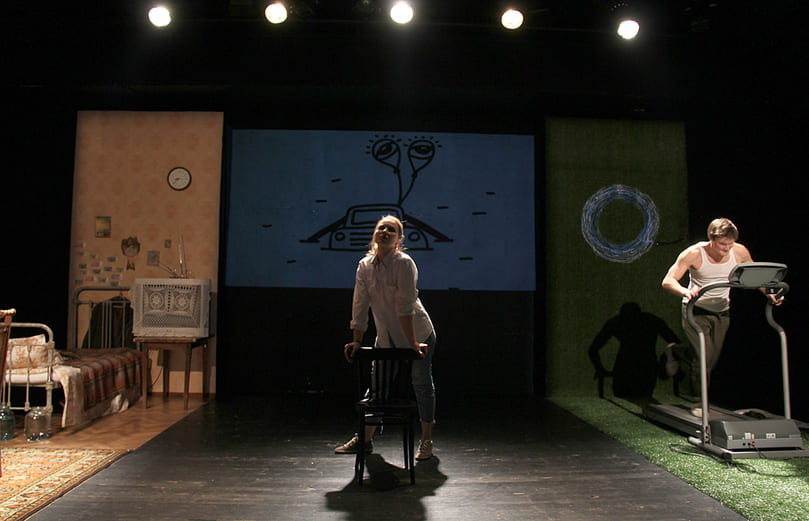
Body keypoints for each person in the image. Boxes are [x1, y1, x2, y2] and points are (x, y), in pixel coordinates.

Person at [335, 214, 437, 460]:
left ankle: (426, 440)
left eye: (391, 230)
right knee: (378, 388)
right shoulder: (365, 266)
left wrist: (412, 343)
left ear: (399, 240)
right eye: (381, 228)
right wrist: (357, 339)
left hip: (417, 333)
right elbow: (359, 305)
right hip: (387, 337)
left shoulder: (404, 263)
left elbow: (405, 306)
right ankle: (365, 439)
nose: (385, 232)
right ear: (374, 234)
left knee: (421, 384)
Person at [661, 217, 782, 401]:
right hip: (696, 311)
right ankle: (699, 402)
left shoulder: (739, 252)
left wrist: (769, 294)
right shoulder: (694, 253)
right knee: (704, 360)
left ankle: (676, 351)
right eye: (723, 244)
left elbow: (754, 277)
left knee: (711, 359)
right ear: (711, 239)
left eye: (730, 244)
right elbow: (668, 281)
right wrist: (685, 291)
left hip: (722, 312)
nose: (727, 248)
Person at [588, 302, 680, 401]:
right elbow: (676, 344)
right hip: (645, 366)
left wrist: (600, 369)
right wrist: (666, 361)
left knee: (628, 399)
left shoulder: (617, 322)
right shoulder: (651, 321)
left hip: (629, 367)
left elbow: (593, 349)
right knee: (644, 399)